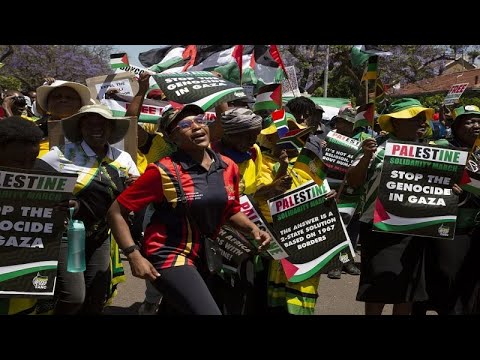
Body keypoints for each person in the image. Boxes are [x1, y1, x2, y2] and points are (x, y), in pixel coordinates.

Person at [107, 104, 271, 315]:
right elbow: (116, 212)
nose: (196, 127)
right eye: (185, 125)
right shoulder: (162, 171)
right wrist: (134, 255)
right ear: (173, 138)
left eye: (200, 121)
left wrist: (253, 229)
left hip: (206, 255)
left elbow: (230, 210)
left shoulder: (228, 166)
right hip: (168, 254)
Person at [41, 104, 139, 314]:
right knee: (73, 297)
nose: (97, 128)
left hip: (102, 235)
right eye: (90, 123)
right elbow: (34, 178)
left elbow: (136, 199)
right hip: (68, 234)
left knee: (97, 295)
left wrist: (133, 189)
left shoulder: (123, 158)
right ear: (80, 128)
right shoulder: (59, 155)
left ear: (111, 129)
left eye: (103, 123)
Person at [347, 98, 437, 315]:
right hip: (379, 227)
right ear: (396, 123)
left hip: (415, 229)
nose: (421, 122)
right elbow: (353, 181)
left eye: (422, 118)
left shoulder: (433, 153)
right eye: (414, 118)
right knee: (378, 286)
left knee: (407, 288)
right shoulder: (376, 149)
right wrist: (366, 157)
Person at [412, 104, 480, 315]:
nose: (475, 125)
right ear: (456, 126)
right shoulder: (442, 148)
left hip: (475, 229)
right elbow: (422, 181)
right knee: (446, 279)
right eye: (468, 121)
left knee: (471, 284)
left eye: (478, 121)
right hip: (448, 228)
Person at [0, 116, 72, 314]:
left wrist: (69, 205)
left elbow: (71, 200)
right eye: (17, 161)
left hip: (20, 274)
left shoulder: (41, 171)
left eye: (30, 160)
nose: (26, 168)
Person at [35, 79, 93, 157]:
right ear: (47, 103)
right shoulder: (34, 133)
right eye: (57, 97)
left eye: (70, 97)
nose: (63, 100)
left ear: (80, 104)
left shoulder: (93, 132)